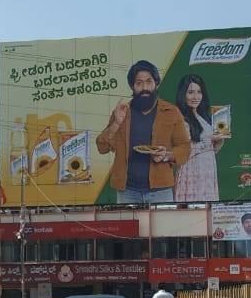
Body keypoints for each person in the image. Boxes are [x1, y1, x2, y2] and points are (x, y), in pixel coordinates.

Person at [96, 60, 191, 205]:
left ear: (156, 83)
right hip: (127, 191)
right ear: (132, 86)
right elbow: (101, 147)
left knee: (163, 228)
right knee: (129, 228)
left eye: (149, 82)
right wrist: (116, 123)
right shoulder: (122, 112)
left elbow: (185, 148)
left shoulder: (171, 112)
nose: (145, 87)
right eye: (139, 83)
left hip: (161, 191)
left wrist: (166, 156)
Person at [173, 73, 227, 202]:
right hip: (191, 170)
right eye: (190, 92)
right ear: (183, 94)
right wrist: (206, 141)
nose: (195, 97)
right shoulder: (178, 117)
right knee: (190, 208)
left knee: (208, 208)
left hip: (208, 169)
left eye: (199, 92)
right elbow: (180, 150)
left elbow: (213, 150)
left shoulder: (206, 117)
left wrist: (219, 140)